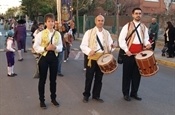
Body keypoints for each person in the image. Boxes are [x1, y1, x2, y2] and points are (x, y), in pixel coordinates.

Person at [118, 8, 151, 101]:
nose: (138, 15)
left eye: (140, 13)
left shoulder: (144, 27)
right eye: (136, 13)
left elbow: (145, 39)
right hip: (128, 54)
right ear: (132, 15)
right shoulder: (127, 26)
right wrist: (126, 50)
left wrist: (147, 44)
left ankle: (134, 93)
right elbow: (121, 39)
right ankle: (126, 93)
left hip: (139, 55)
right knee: (127, 75)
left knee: (137, 74)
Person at [80, 15, 115, 103]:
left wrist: (112, 47)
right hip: (92, 58)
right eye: (99, 20)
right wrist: (89, 51)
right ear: (95, 22)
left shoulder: (107, 33)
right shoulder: (89, 32)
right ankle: (86, 95)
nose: (100, 22)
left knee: (99, 78)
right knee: (89, 77)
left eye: (102, 20)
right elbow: (83, 45)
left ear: (104, 22)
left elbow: (110, 45)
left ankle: (96, 95)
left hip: (102, 59)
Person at [33, 13, 63, 109]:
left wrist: (55, 48)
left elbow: (61, 47)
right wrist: (45, 48)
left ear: (54, 23)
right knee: (42, 80)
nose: (51, 23)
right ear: (45, 23)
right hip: (44, 58)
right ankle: (42, 100)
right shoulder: (40, 34)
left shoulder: (57, 34)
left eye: (52, 21)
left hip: (54, 58)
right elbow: (35, 47)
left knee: (53, 80)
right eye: (49, 21)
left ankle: (53, 98)